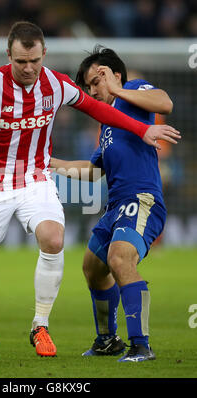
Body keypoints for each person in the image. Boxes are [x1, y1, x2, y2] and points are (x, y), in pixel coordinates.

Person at [0, 23, 180, 362]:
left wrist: (143, 127)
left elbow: (117, 106)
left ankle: (48, 328)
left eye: (34, 61)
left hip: (49, 184)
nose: (28, 68)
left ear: (44, 56)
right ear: (8, 55)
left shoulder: (74, 86)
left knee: (62, 242)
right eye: (21, 61)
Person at [50, 45, 179, 362]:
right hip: (116, 206)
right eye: (89, 86)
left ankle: (141, 345)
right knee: (93, 268)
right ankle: (108, 340)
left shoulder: (133, 91)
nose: (92, 91)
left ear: (114, 74)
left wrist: (119, 88)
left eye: (96, 82)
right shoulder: (107, 124)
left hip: (142, 198)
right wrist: (48, 163)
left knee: (120, 259)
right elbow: (94, 171)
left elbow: (165, 102)